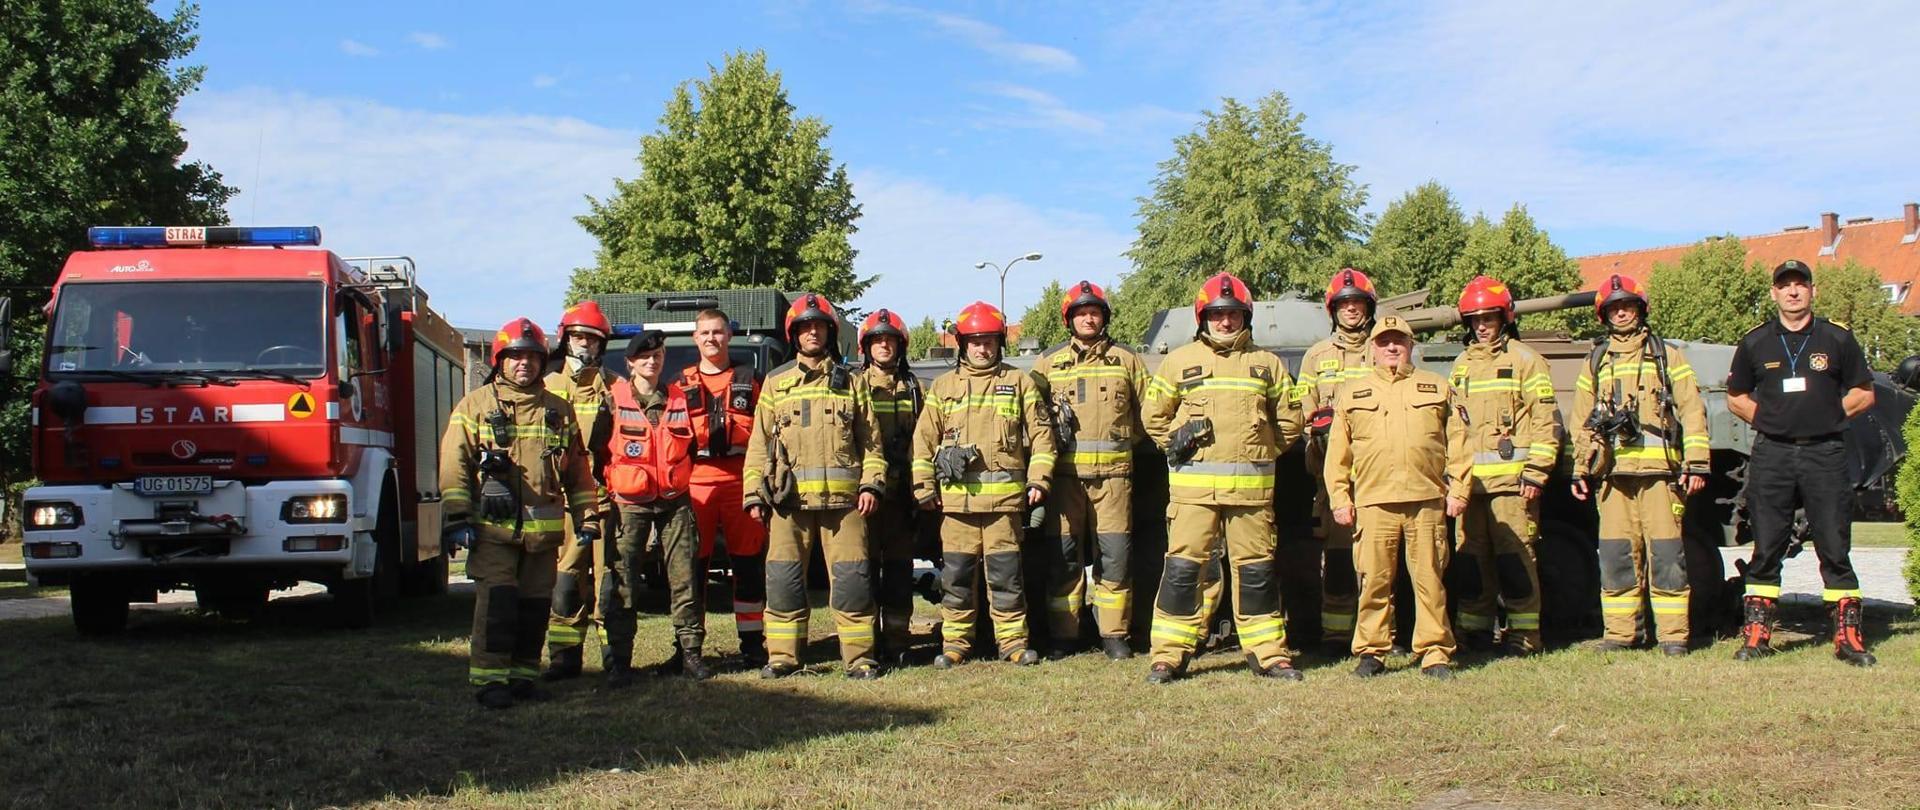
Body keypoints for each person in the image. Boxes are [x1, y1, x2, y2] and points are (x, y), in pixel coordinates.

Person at [1140, 272, 1304, 684]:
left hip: (1251, 494)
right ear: (1203, 318)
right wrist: (1174, 443)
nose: (1225, 322)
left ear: (1245, 316)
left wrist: (1262, 450)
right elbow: (1152, 415)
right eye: (1217, 314)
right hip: (1193, 494)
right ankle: (1168, 656)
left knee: (1257, 573)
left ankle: (1269, 654)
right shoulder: (1178, 361)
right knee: (1182, 572)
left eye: (1232, 314)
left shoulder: (1267, 365)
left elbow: (1290, 421)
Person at [440, 318, 599, 708]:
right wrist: (458, 516)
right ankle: (491, 681)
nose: (524, 364)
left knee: (532, 608)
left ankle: (523, 677)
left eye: (531, 356)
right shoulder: (475, 405)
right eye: (515, 357)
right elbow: (454, 463)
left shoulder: (558, 410)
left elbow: (577, 469)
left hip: (542, 535)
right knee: (498, 605)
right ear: (500, 361)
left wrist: (587, 516)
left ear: (543, 361)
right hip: (493, 531)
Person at [1726, 259, 1877, 667]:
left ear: (1813, 291)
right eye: (1785, 285)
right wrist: (1771, 420)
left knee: (1833, 543)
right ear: (1774, 293)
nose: (1793, 292)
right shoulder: (1755, 342)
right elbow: (1736, 396)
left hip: (1824, 452)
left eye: (1800, 285)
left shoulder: (1837, 339)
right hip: (1773, 453)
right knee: (1767, 543)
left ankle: (1848, 637)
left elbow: (1864, 393)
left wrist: (1829, 416)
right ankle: (1757, 634)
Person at [742, 294, 889, 679]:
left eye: (818, 326)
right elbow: (758, 445)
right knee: (784, 583)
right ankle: (783, 658)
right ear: (794, 334)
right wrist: (754, 493)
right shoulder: (776, 384)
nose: (812, 332)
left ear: (829, 332)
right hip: (788, 505)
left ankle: (859, 658)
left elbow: (871, 442)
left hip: (845, 506)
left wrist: (871, 486)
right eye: (805, 327)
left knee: (854, 584)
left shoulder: (852, 384)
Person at [1569, 275, 1710, 655]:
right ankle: (1620, 634)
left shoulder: (1666, 357)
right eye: (1614, 308)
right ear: (1604, 315)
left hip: (1660, 476)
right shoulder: (1596, 361)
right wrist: (1581, 467)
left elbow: (1692, 410)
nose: (1621, 312)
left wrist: (1696, 462)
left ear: (1640, 309)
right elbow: (1580, 421)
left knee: (1666, 556)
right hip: (1613, 477)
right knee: (1616, 557)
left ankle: (1673, 636)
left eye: (1627, 305)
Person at [910, 301, 1056, 669]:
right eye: (974, 341)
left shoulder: (1018, 382)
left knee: (1006, 578)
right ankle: (957, 644)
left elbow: (1042, 436)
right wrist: (924, 488)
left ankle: (1012, 643)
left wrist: (1039, 479)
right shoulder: (943, 387)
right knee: (957, 578)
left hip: (1004, 508)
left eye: (989, 340)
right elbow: (923, 441)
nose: (982, 348)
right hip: (956, 507)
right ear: (962, 343)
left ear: (999, 343)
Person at [1325, 314, 1470, 679]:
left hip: (1426, 500)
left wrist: (1460, 490)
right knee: (1373, 581)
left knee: (1430, 580)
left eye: (1399, 341)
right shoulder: (1352, 393)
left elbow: (1460, 444)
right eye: (1384, 342)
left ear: (1411, 346)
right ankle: (1372, 651)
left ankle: (1435, 651)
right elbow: (1337, 453)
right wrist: (1340, 498)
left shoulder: (1437, 386)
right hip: (1374, 503)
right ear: (1372, 349)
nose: (1392, 347)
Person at [1036, 281, 1150, 660]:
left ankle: (1114, 634)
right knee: (1064, 559)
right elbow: (1034, 422)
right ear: (1069, 320)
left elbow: (1147, 417)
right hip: (1065, 481)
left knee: (1115, 558)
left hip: (1114, 480)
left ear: (1104, 317)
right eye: (1081, 313)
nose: (1088, 318)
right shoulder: (1047, 364)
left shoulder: (1128, 361)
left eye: (1095, 312)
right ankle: (1065, 635)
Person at [1447, 276, 1561, 655]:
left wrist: (1537, 472)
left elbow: (1546, 420)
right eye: (1475, 319)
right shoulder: (1461, 365)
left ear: (1504, 318)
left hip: (1513, 485)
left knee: (1515, 560)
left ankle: (1524, 635)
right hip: (1471, 488)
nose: (1481, 326)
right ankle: (1474, 631)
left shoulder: (1526, 361)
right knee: (1471, 563)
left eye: (1489, 318)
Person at [598, 329, 703, 685]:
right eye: (644, 356)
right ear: (630, 362)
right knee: (624, 581)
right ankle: (621, 663)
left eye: (657, 355)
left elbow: (691, 447)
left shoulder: (679, 398)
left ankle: (690, 655)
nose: (651, 361)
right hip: (629, 504)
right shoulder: (613, 399)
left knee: (684, 578)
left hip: (675, 502)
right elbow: (598, 450)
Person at [673, 309, 770, 670]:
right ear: (695, 339)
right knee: (691, 569)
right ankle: (687, 647)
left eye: (718, 332)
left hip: (741, 480)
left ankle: (752, 646)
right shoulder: (680, 384)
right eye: (705, 333)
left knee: (747, 566)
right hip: (694, 481)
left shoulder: (751, 379)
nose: (711, 338)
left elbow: (768, 433)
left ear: (729, 335)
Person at [1297, 267, 1378, 656]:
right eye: (1344, 304)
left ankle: (1382, 634)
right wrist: (1316, 422)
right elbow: (1303, 406)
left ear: (1368, 307)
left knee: (1382, 560)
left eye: (1357, 303)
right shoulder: (1316, 356)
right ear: (1333, 310)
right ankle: (1335, 634)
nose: (1350, 310)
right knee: (1340, 557)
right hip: (1335, 474)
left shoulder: (1385, 347)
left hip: (1381, 471)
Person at [542, 301, 617, 681]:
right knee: (567, 578)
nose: (585, 344)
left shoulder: (615, 387)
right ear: (565, 339)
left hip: (605, 501)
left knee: (609, 583)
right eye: (579, 337)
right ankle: (564, 656)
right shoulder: (546, 386)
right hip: (566, 504)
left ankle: (613, 656)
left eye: (592, 338)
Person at [857, 308, 925, 664]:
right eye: (877, 340)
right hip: (865, 499)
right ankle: (865, 641)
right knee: (862, 572)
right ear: (865, 347)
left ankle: (898, 641)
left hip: (902, 498)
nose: (884, 346)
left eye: (890, 340)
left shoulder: (916, 390)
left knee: (899, 572)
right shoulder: (853, 386)